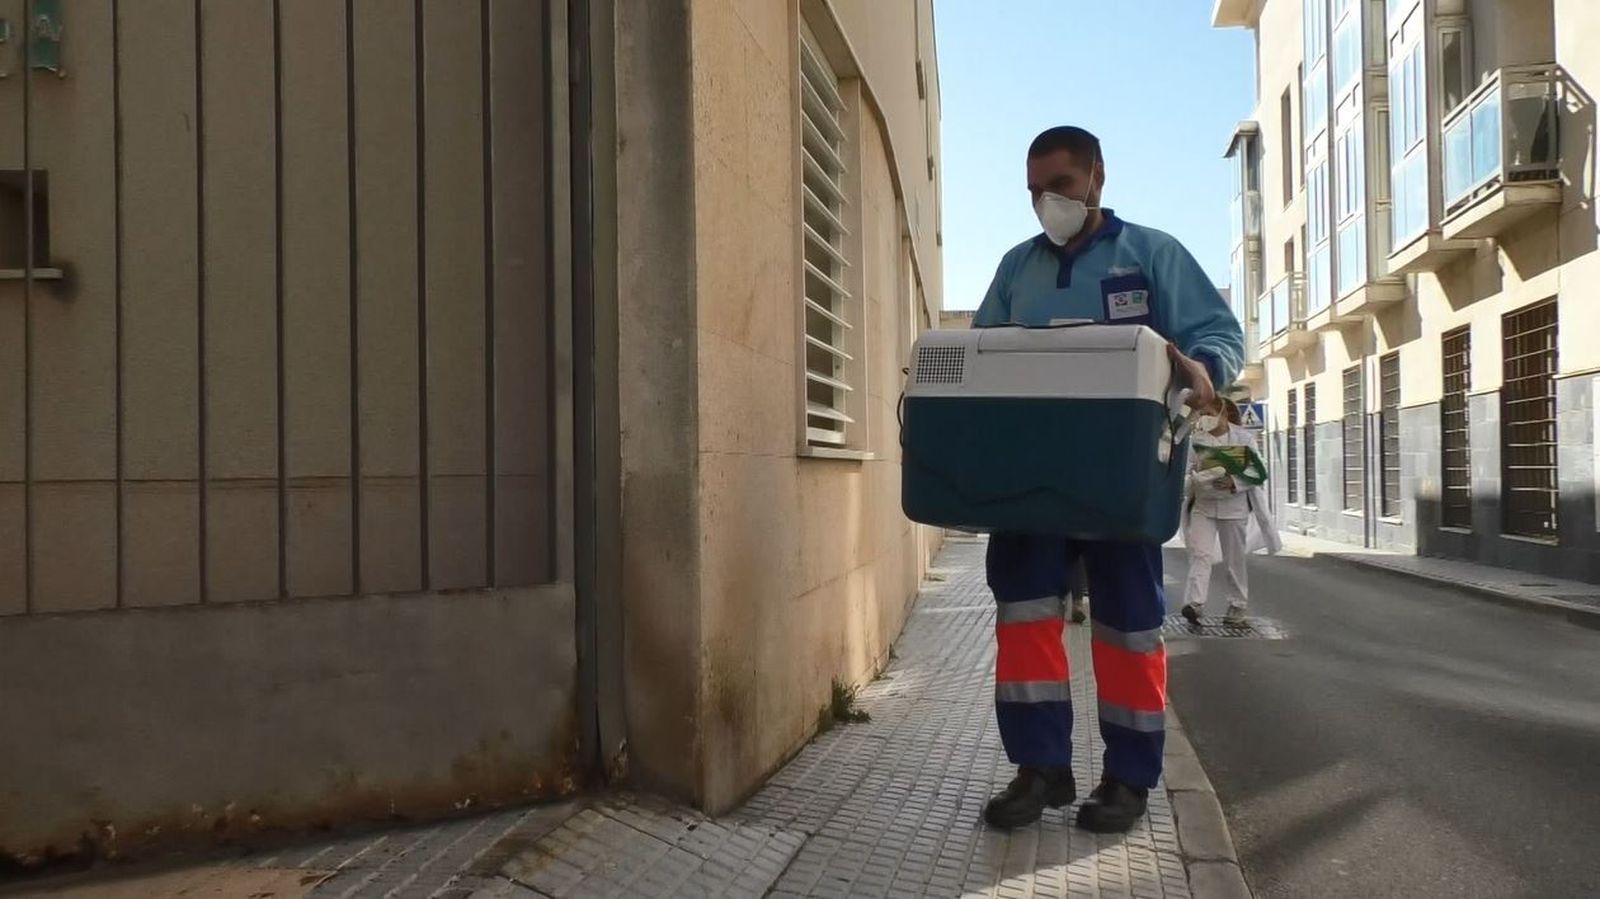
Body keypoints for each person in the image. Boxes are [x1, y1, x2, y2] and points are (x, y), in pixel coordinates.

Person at [972, 126, 1244, 832]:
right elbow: (981, 354)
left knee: (1128, 630)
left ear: (1096, 177)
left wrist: (1203, 370)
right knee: (1026, 622)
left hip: (1125, 481)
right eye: (1034, 190)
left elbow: (1218, 334)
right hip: (1031, 484)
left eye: (1058, 186)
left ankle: (1127, 779)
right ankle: (1039, 769)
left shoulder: (1149, 254)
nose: (1045, 202)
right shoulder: (1016, 269)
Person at [1180, 398, 1256, 627]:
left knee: (1234, 560)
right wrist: (1194, 477)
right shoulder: (1197, 441)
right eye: (1201, 413)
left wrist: (1234, 481)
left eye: (1209, 413)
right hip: (1204, 505)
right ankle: (1194, 604)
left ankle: (1237, 605)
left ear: (1223, 414)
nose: (1204, 418)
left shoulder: (1244, 439)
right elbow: (1184, 473)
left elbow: (1257, 472)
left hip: (1234, 508)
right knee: (1200, 553)